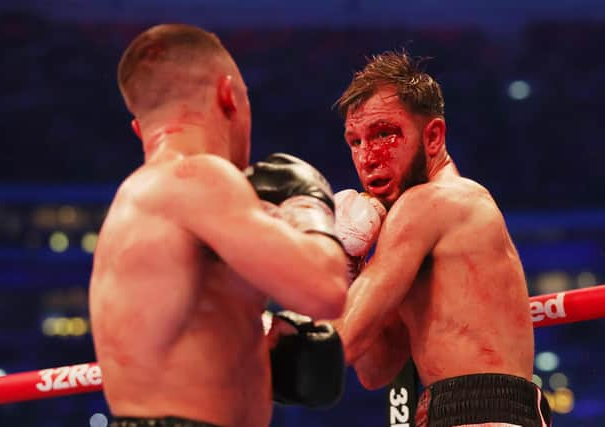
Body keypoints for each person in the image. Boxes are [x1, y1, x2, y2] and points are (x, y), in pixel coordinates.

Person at [89, 24, 348, 427]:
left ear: (140, 129)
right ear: (228, 97)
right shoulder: (197, 178)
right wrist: (306, 202)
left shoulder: (143, 198)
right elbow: (326, 289)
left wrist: (265, 345)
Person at [331, 51, 552, 426]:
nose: (368, 157)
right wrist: (347, 267)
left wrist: (254, 347)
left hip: (484, 413)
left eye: (384, 133)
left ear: (432, 136)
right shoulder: (416, 231)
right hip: (455, 410)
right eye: (355, 141)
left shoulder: (433, 202)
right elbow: (376, 369)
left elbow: (340, 343)